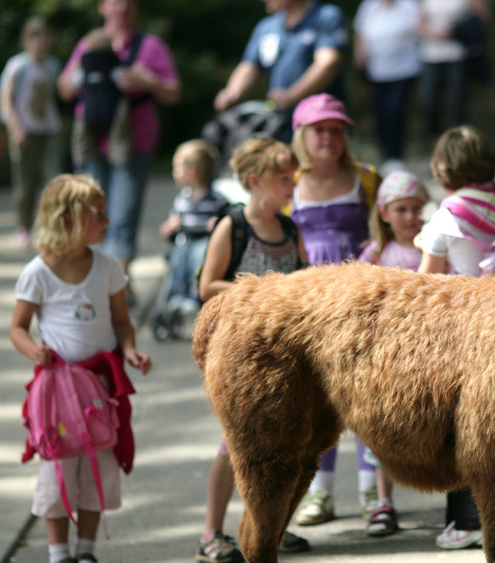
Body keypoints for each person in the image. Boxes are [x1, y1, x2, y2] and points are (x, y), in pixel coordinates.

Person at [10, 174, 152, 563]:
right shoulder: (37, 273)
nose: (107, 223)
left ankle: (85, 551)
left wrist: (130, 350)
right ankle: (59, 553)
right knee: (57, 470)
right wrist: (32, 350)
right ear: (67, 220)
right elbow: (17, 327)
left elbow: (122, 321)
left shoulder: (107, 268)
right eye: (99, 216)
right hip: (56, 391)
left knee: (98, 468)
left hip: (99, 388)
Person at [416, 125, 495, 549]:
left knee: (466, 431)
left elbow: (425, 283)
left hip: (465, 333)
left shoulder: (446, 213)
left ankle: (467, 521)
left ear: (444, 168)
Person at [196, 137, 310, 562]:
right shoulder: (233, 225)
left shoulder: (290, 229)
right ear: (254, 180)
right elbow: (207, 285)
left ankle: (269, 526)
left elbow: (304, 283)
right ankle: (212, 532)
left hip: (283, 358)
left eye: (293, 178)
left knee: (285, 443)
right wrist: (261, 293)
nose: (291, 185)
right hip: (239, 356)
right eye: (283, 178)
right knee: (236, 443)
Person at [287, 92, 383, 527]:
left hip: (361, 303)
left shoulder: (366, 179)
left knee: (368, 398)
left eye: (336, 129)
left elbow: (387, 230)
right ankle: (318, 496)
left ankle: (373, 496)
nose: (328, 137)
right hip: (311, 308)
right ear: (301, 136)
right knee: (316, 404)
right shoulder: (287, 182)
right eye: (319, 129)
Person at [57, 0, 181, 280]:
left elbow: (173, 92)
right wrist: (81, 78)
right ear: (102, 7)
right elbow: (64, 89)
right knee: (88, 215)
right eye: (115, 1)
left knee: (122, 218)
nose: (121, 7)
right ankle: (93, 282)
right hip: (91, 144)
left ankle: (116, 288)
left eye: (128, 2)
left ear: (136, 7)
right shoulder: (87, 43)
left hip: (134, 143)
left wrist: (147, 81)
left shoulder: (150, 47)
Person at [355, 169, 430, 536]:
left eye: (417, 208)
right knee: (382, 428)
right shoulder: (376, 253)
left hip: (426, 349)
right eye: (402, 209)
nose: (411, 217)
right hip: (385, 353)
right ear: (384, 213)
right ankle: (382, 501)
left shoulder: (429, 248)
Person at [213, 0, 348, 142]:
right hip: (279, 126)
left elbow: (328, 63)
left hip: (320, 126)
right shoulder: (267, 27)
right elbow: (249, 66)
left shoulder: (326, 16)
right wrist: (232, 93)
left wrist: (292, 95)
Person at [0, 16, 63, 250]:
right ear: (26, 41)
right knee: (25, 185)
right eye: (35, 37)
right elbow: (5, 100)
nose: (40, 42)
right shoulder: (17, 66)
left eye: (44, 37)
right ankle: (23, 226)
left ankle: (52, 226)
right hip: (24, 131)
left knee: (54, 179)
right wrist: (16, 129)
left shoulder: (53, 65)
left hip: (50, 130)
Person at [157, 139, 228, 321]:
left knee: (199, 256)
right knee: (177, 259)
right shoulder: (182, 199)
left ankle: (192, 296)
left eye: (177, 168)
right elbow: (174, 219)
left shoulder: (215, 199)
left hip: (204, 241)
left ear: (191, 172)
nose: (174, 173)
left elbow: (225, 218)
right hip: (185, 240)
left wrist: (216, 223)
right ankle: (177, 296)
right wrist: (169, 227)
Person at [352, 0, 421, 173]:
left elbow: (421, 29)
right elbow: (360, 33)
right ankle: (387, 155)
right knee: (380, 113)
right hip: (377, 71)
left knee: (395, 110)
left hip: (405, 69)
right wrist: (359, 56)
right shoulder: (368, 7)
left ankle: (397, 155)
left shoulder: (409, 6)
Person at [418, 0, 489, 137]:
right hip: (431, 54)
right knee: (428, 99)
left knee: (457, 101)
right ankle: (436, 138)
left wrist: (461, 31)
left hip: (458, 53)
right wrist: (436, 33)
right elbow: (419, 24)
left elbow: (481, 17)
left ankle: (461, 141)